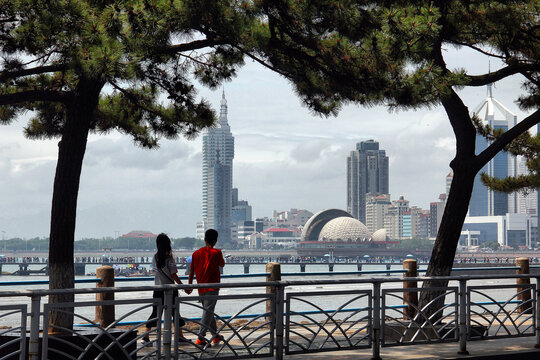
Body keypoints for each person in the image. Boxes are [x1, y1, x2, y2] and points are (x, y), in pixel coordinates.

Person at [141, 233, 187, 346]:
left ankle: (146, 336)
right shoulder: (169, 257)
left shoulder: (155, 257)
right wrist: (183, 286)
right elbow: (174, 274)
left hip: (157, 289)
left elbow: (155, 272)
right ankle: (179, 336)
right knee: (175, 312)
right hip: (170, 290)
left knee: (156, 313)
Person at [188, 229, 225, 347]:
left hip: (200, 287)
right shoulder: (217, 252)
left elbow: (191, 271)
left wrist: (189, 285)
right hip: (212, 287)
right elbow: (222, 264)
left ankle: (215, 336)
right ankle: (200, 337)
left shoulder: (195, 253)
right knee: (208, 312)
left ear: (205, 240)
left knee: (208, 312)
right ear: (215, 240)